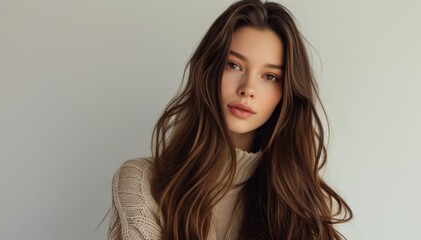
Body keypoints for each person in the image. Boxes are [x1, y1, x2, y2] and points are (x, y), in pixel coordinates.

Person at [108, 0, 352, 239]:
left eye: (269, 76)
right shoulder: (143, 182)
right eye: (234, 65)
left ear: (286, 93)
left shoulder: (305, 206)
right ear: (209, 71)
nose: (248, 88)